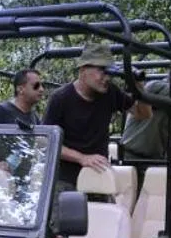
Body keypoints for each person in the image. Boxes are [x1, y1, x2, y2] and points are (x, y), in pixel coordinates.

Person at [43, 41, 153, 190]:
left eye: (109, 72)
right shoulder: (60, 98)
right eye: (102, 70)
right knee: (68, 211)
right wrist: (82, 158)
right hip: (65, 180)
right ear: (83, 70)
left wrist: (138, 86)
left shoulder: (110, 93)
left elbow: (144, 114)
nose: (107, 77)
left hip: (98, 177)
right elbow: (46, 142)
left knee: (113, 212)